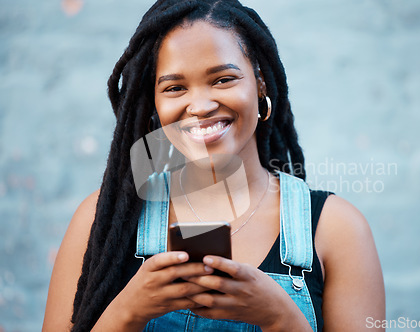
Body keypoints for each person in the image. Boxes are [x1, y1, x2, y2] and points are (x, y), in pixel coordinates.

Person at [42, 0, 385, 331]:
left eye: (223, 79)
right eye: (175, 87)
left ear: (260, 82)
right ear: (154, 103)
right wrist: (129, 311)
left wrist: (281, 318)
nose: (201, 105)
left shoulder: (337, 229)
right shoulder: (99, 218)